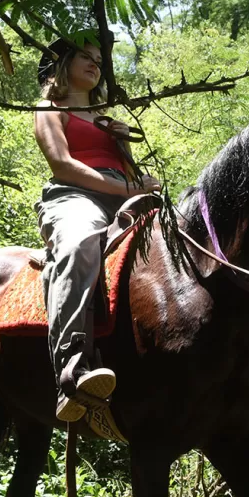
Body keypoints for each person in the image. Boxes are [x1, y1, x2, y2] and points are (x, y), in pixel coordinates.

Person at [34, 36, 160, 422]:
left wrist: (132, 165)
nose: (95, 64)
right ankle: (72, 367)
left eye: (99, 60)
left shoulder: (108, 120)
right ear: (63, 64)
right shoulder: (48, 107)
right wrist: (126, 188)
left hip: (126, 194)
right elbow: (63, 165)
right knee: (79, 241)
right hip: (74, 196)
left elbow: (130, 174)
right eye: (85, 57)